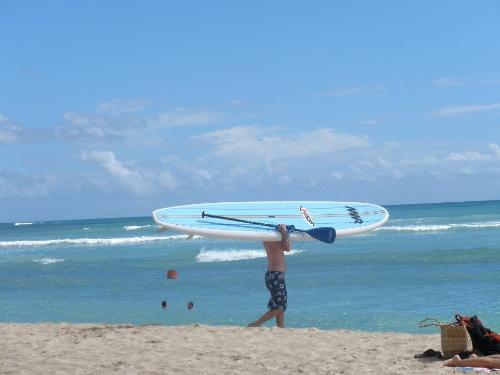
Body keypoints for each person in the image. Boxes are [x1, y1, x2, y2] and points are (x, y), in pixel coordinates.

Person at [248, 224, 291, 328]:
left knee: (279, 304)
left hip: (271, 275)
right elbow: (287, 247)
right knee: (281, 307)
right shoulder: (275, 238)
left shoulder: (267, 237)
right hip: (276, 275)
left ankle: (281, 328)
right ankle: (256, 324)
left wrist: (283, 233)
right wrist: (284, 231)